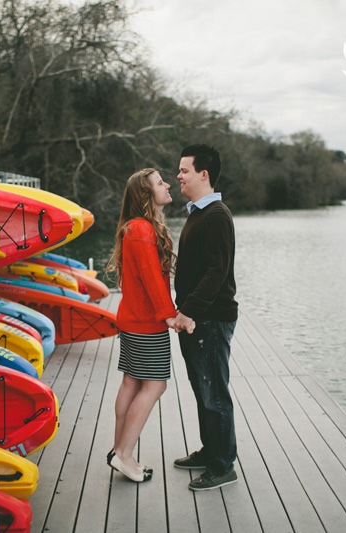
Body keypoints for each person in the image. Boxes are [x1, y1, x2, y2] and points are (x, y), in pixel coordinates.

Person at [105, 167, 193, 483]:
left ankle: (119, 451)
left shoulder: (136, 227)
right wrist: (168, 315)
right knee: (155, 385)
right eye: (160, 182)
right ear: (146, 194)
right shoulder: (141, 229)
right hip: (145, 323)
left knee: (132, 383)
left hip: (133, 320)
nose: (167, 184)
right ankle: (124, 454)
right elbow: (152, 278)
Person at [171, 144, 239, 491]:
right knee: (203, 390)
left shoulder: (215, 215)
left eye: (184, 170)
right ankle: (210, 450)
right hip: (198, 319)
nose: (178, 176)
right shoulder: (198, 212)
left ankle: (223, 465)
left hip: (210, 319)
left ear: (203, 175)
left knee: (214, 393)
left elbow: (216, 272)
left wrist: (188, 311)